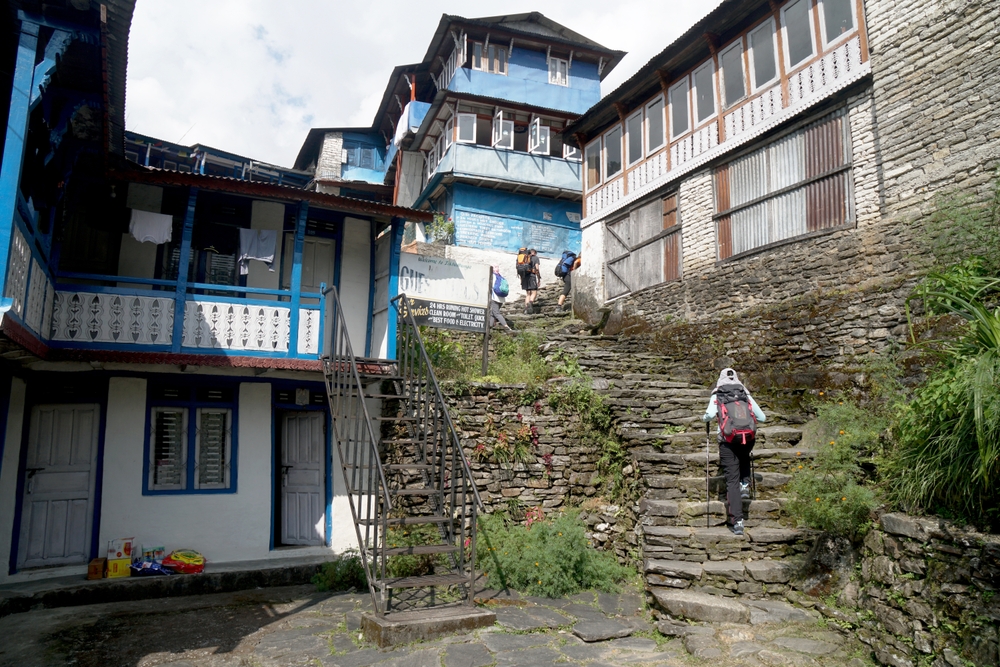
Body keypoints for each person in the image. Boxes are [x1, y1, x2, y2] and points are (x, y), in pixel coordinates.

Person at [701, 368, 766, 536]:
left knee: (731, 481)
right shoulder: (745, 394)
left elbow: (708, 415)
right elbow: (762, 417)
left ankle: (738, 521)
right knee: (744, 455)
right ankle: (745, 485)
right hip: (748, 438)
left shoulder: (718, 395)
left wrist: (705, 418)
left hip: (727, 440)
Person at [490, 267, 513, 332]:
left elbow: (491, 286)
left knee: (496, 313)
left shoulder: (493, 276)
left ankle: (506, 326)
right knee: (492, 313)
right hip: (501, 298)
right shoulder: (500, 277)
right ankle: (489, 326)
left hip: (495, 298)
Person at [523, 249, 540, 314]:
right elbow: (537, 268)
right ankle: (530, 303)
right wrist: (538, 278)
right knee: (534, 292)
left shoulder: (525, 257)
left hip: (524, 277)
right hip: (532, 276)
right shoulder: (535, 258)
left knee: (528, 294)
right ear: (535, 253)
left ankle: (526, 309)